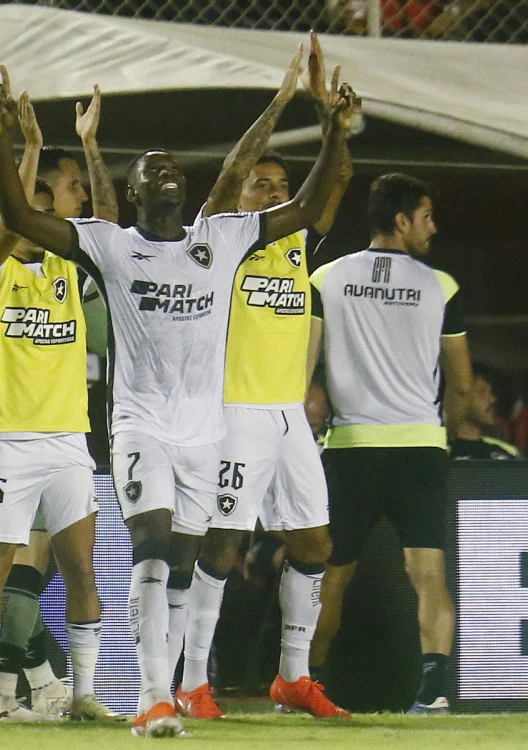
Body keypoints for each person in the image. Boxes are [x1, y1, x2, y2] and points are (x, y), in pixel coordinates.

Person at [0, 51, 356, 736]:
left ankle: (173, 687)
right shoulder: (111, 244)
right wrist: (4, 140)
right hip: (141, 428)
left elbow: (304, 204)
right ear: (134, 191)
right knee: (152, 547)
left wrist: (331, 127)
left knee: (183, 562)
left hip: (203, 435)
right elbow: (18, 214)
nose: (169, 170)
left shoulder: (222, 239)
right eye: (154, 167)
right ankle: (155, 696)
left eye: (175, 166)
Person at [175, 34, 353, 721]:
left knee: (314, 543)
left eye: (283, 189)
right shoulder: (219, 242)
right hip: (233, 412)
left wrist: (336, 126)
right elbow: (228, 175)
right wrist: (283, 104)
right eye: (266, 186)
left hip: (286, 416)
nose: (278, 196)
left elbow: (331, 185)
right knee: (223, 545)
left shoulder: (296, 246)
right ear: (242, 193)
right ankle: (194, 681)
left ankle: (291, 678)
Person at [0, 87, 119, 724]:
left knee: (81, 570)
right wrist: (20, 145)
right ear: (40, 198)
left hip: (67, 442)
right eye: (70, 187)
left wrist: (88, 143)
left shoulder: (71, 266)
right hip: (6, 440)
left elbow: (107, 227)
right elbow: (11, 221)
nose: (78, 197)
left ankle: (80, 693)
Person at [308, 173, 473, 714]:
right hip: (420, 448)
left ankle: (305, 684)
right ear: (400, 221)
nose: (433, 227)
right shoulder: (440, 286)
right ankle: (435, 690)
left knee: (331, 576)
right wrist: (447, 430)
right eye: (425, 216)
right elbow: (463, 382)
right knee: (428, 573)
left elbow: (303, 369)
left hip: (351, 447)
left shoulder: (325, 279)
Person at [449, 371, 520, 459]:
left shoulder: (508, 453)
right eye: (481, 391)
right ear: (460, 397)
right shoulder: (440, 453)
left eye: (490, 392)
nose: (492, 400)